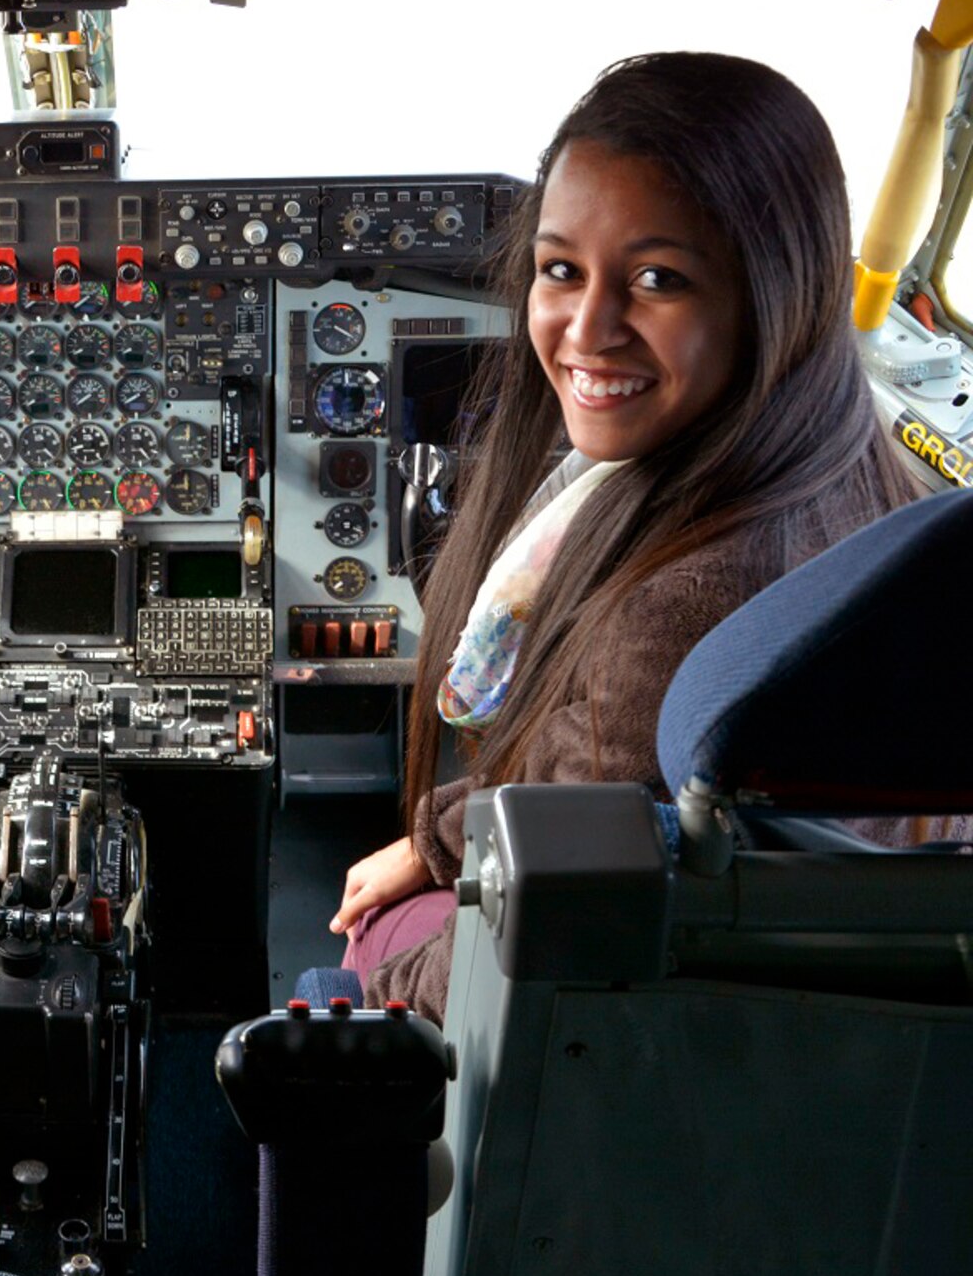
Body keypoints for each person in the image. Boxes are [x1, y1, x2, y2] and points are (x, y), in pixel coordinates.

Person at [326, 52, 927, 1022]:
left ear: (770, 293)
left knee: (359, 935)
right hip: (817, 1009)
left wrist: (348, 1003)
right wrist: (435, 841)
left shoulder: (673, 614)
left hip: (617, 1051)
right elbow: (578, 794)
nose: (585, 329)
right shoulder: (851, 462)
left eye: (655, 279)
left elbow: (501, 950)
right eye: (559, 269)